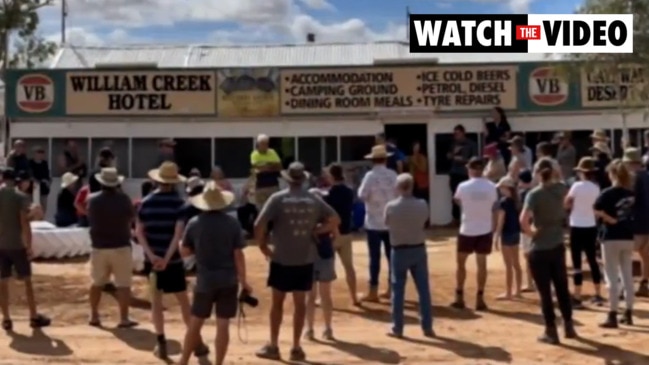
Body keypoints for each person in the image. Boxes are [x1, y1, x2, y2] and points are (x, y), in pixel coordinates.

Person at [254, 162, 339, 362]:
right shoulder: (313, 198)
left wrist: (263, 247)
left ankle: (274, 345)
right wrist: (316, 231)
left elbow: (259, 224)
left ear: (287, 179)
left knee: (277, 304)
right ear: (303, 179)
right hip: (305, 258)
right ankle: (296, 347)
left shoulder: (278, 198)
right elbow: (335, 219)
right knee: (300, 305)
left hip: (281, 258)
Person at [135, 162, 208, 359]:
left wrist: (152, 256)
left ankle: (161, 343)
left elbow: (139, 233)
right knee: (183, 302)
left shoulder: (146, 202)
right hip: (173, 262)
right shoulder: (180, 204)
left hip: (153, 262)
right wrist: (167, 258)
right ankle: (197, 342)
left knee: (156, 302)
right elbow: (178, 235)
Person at [178, 181, 250, 365]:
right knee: (223, 324)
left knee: (196, 323)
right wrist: (244, 280)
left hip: (205, 279)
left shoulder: (195, 223)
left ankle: (184, 361)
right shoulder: (232, 223)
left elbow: (185, 251)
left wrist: (198, 249)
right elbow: (238, 255)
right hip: (228, 279)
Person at [519, 158, 576, 344]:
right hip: (557, 243)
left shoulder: (534, 194)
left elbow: (524, 220)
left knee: (545, 292)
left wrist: (532, 233)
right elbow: (568, 203)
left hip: (541, 246)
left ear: (537, 173)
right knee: (562, 287)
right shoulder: (561, 189)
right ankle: (568, 325)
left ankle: (551, 330)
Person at [0, 168, 51, 330]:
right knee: (27, 281)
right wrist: (28, 246)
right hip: (17, 244)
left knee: (3, 282)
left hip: (1, 245)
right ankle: (33, 316)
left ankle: (6, 318)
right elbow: (24, 223)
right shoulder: (20, 197)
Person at [86, 168, 138, 328]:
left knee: (97, 283)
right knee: (123, 284)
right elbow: (131, 218)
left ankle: (94, 315)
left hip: (99, 246)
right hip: (120, 245)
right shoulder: (123, 199)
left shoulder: (92, 200)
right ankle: (123, 317)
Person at [385, 173, 434, 338]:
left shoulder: (391, 206)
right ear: (412, 186)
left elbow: (387, 223)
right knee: (423, 289)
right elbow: (424, 222)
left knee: (398, 290)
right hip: (418, 248)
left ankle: (397, 328)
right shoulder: (422, 204)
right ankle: (427, 326)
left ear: (399, 188)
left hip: (399, 250)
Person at [451, 157, 498, 310]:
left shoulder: (463, 186)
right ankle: (480, 297)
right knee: (482, 264)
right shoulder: (491, 186)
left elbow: (457, 200)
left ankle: (459, 296)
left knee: (461, 264)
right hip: (484, 228)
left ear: (470, 169)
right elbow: (494, 205)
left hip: (467, 228)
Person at [594, 159, 636, 327]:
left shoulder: (607, 192)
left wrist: (608, 218)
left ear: (612, 174)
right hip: (628, 235)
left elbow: (596, 209)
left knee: (611, 275)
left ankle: (612, 313)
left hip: (611, 236)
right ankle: (629, 312)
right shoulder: (630, 194)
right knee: (627, 275)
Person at [358, 145, 398, 302]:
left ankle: (373, 291)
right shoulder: (393, 175)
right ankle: (392, 289)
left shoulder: (370, 176)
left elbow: (362, 195)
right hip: (390, 222)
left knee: (374, 258)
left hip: (373, 222)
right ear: (386, 159)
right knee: (392, 257)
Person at [565, 157, 602, 308]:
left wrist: (571, 208)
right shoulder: (596, 187)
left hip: (576, 224)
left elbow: (567, 202)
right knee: (592, 260)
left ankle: (577, 294)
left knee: (577, 262)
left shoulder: (576, 186)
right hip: (590, 224)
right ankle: (598, 294)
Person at [322, 163, 358, 305]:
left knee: (327, 269)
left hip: (332, 234)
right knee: (349, 267)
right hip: (346, 233)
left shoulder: (330, 194)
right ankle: (354, 297)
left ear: (332, 176)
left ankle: (325, 299)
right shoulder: (348, 191)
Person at [493, 177, 523, 300]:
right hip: (516, 232)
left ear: (506, 188)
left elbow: (501, 220)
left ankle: (509, 292)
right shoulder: (517, 201)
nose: (500, 190)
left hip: (506, 234)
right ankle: (518, 290)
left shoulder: (503, 202)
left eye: (501, 188)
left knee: (508, 265)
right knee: (516, 263)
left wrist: (496, 235)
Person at [448, 124, 477, 223]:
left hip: (465, 174)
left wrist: (463, 160)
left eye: (458, 133)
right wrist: (451, 155)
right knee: (455, 196)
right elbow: (448, 156)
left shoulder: (471, 144)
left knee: (468, 196)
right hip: (454, 173)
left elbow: (475, 159)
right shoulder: (453, 144)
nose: (456, 136)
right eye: (455, 134)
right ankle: (455, 219)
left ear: (463, 133)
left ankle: (468, 218)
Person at [631, 146, 649, 297]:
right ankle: (644, 283)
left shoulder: (633, 178)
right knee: (645, 255)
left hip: (636, 222)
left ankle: (624, 287)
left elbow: (631, 201)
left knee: (624, 255)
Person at [251, 134, 282, 209]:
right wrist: (271, 165)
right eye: (263, 144)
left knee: (275, 208)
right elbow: (256, 167)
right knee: (261, 209)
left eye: (267, 143)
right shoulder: (254, 154)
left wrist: (264, 166)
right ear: (258, 144)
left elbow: (279, 167)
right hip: (260, 187)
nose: (265, 146)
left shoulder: (272, 152)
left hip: (273, 185)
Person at [518, 170, 535, 292]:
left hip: (526, 227)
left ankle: (530, 283)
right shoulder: (535, 192)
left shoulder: (524, 193)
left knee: (528, 256)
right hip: (536, 226)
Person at [29, 146, 51, 213]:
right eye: (38, 152)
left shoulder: (45, 163)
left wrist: (48, 182)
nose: (40, 154)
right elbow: (30, 175)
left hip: (44, 190)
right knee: (34, 208)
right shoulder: (30, 163)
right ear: (34, 153)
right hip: (33, 189)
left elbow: (47, 175)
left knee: (43, 208)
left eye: (42, 152)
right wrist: (38, 181)